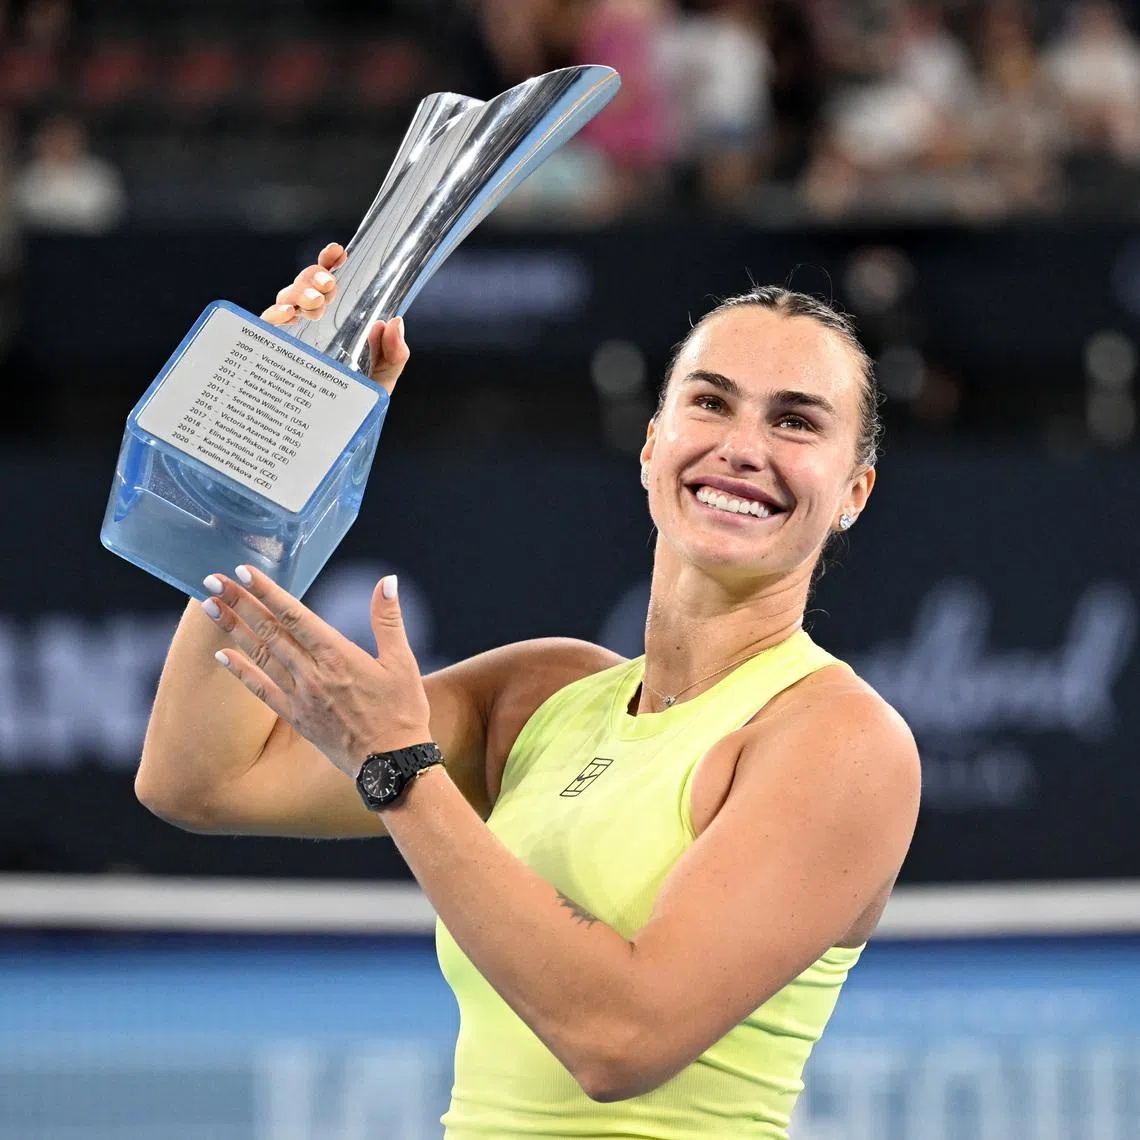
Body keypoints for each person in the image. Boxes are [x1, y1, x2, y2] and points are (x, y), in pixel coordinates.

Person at [136, 242, 920, 1137]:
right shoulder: (541, 696)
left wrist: (400, 771)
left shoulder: (841, 740)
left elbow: (621, 1040)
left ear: (854, 490)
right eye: (710, 402)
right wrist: (285, 453)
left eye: (796, 422)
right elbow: (199, 777)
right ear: (653, 444)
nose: (743, 448)